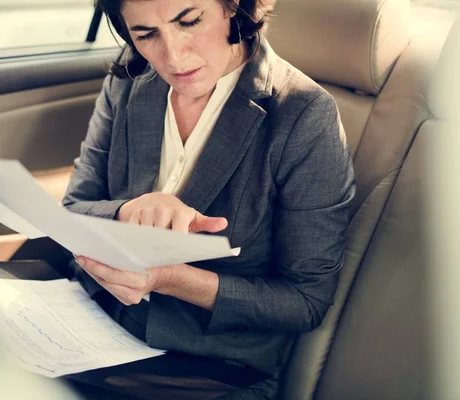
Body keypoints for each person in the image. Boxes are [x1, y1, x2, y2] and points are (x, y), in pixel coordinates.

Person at [24, 0, 355, 398]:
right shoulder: (129, 80)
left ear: (235, 7)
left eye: (191, 20)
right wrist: (128, 211)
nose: (174, 57)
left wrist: (168, 278)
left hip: (209, 369)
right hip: (89, 329)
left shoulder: (303, 114)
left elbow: (305, 301)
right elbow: (74, 209)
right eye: (146, 34)